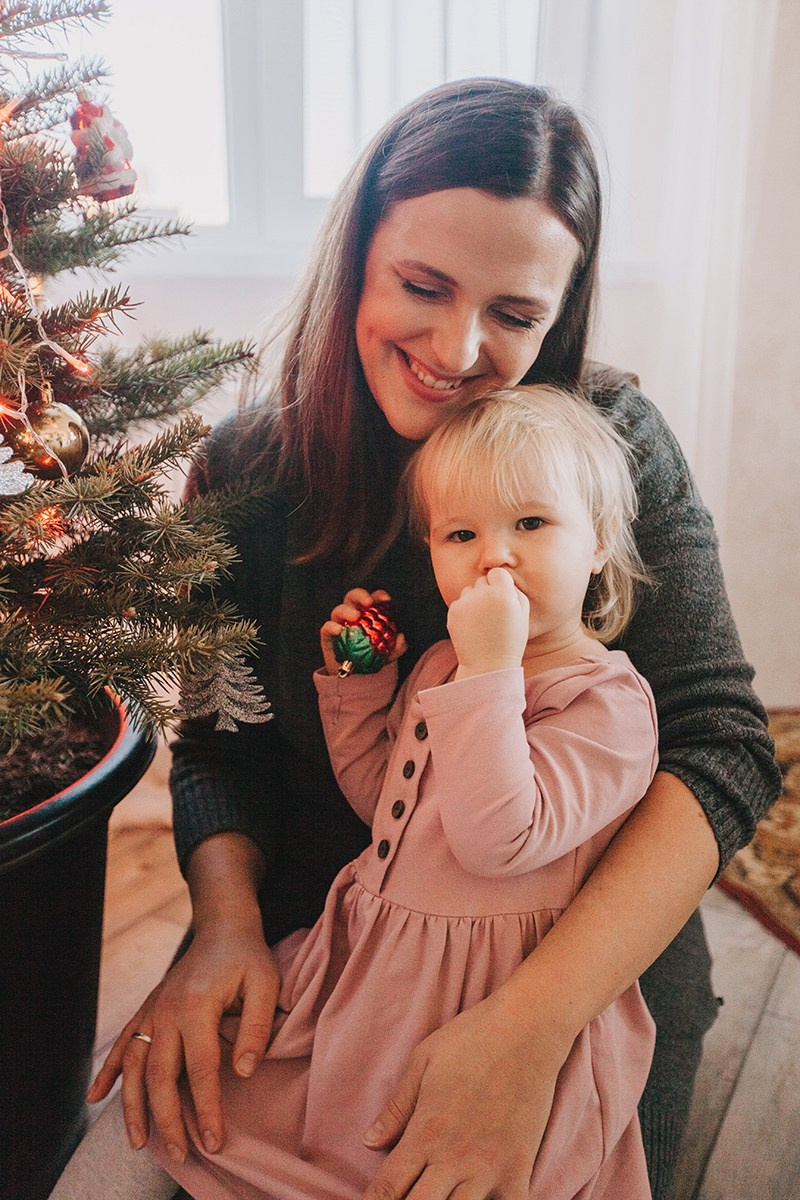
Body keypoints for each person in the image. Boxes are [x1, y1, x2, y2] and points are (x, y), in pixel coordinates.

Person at [52, 78, 779, 1200]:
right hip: (319, 942)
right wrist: (224, 927)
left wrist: (530, 1027)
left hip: (578, 964)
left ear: (560, 315)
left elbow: (719, 745)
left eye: (515, 315)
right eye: (422, 287)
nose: (458, 347)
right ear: (357, 261)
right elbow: (221, 744)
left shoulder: (611, 447)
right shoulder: (246, 470)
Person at [143, 385, 661, 1200]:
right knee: (280, 1111)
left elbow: (499, 838)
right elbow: (388, 805)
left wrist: (489, 670)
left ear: (597, 541)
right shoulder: (442, 666)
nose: (494, 558)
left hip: (487, 981)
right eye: (462, 534)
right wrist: (362, 687)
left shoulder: (607, 704)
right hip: (380, 956)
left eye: (531, 523)